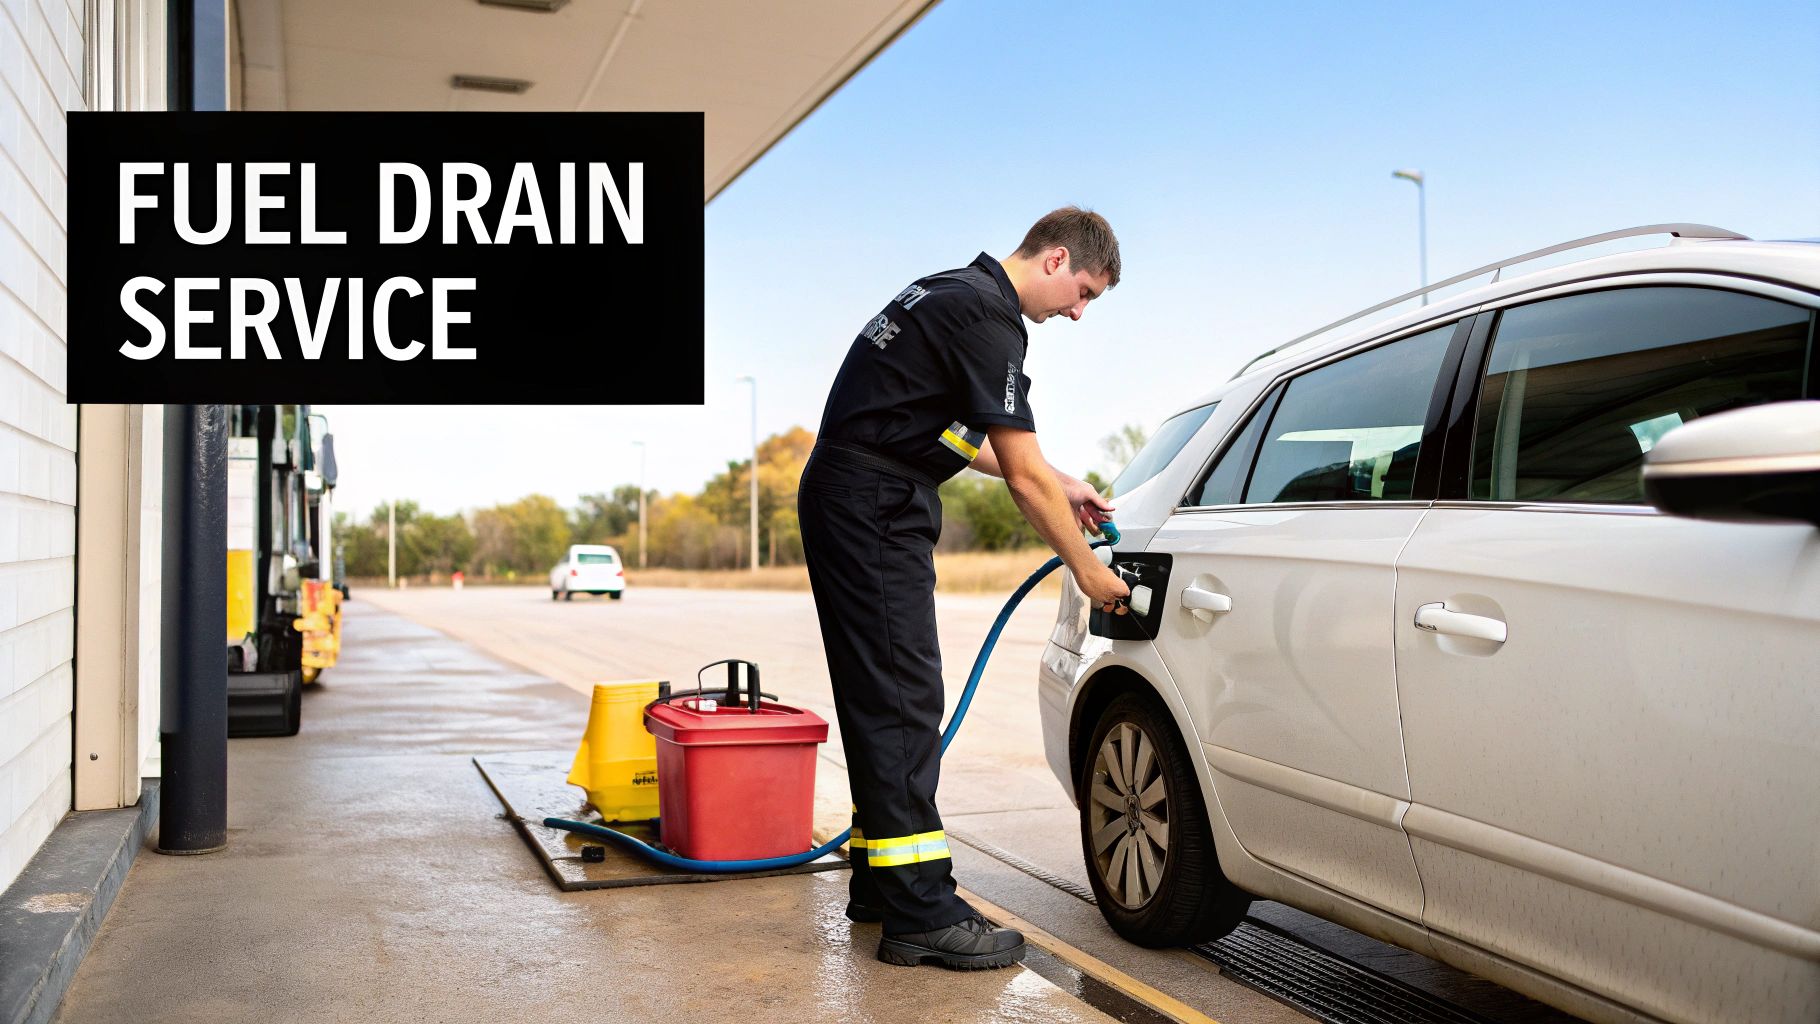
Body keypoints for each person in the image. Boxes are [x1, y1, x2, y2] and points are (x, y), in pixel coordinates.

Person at [798, 207, 1132, 970]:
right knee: (902, 701)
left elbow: (967, 432)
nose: (1077, 313)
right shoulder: (989, 316)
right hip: (873, 503)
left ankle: (884, 885)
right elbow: (1018, 472)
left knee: (889, 700)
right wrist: (1087, 568)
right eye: (1083, 292)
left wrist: (1065, 480)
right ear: (1055, 258)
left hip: (859, 493)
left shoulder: (949, 293)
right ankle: (920, 912)